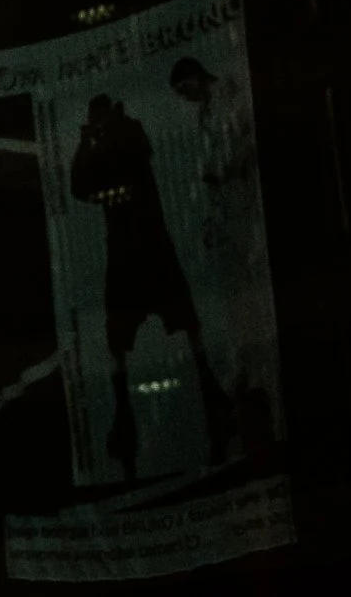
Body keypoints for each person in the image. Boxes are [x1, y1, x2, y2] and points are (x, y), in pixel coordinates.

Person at [68, 94, 233, 480]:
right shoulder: (104, 144)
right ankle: (129, 431)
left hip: (150, 246)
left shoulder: (128, 133)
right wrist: (86, 141)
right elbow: (81, 187)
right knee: (122, 345)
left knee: (186, 331)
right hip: (128, 254)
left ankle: (214, 405)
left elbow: (132, 162)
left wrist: (102, 140)